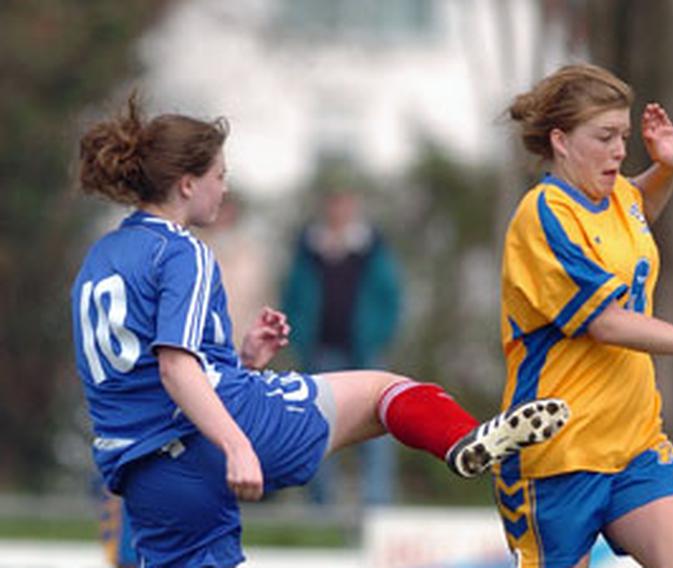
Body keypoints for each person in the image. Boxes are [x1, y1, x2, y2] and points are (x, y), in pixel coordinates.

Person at [71, 94, 570, 567]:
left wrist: (238, 359)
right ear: (186, 184)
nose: (223, 189)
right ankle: (462, 439)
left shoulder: (101, 257)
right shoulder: (183, 250)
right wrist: (236, 444)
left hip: (143, 473)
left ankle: (462, 440)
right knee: (380, 390)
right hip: (210, 435)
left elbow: (136, 371)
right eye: (219, 176)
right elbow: (175, 368)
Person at [494, 63, 673, 568]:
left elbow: (635, 214)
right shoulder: (543, 215)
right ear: (561, 141)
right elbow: (605, 322)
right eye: (605, 137)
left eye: (624, 136)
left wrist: (669, 168)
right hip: (557, 455)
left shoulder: (618, 197)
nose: (620, 151)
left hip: (636, 445)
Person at [282, 175, 402, 506]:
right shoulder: (307, 248)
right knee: (321, 433)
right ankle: (322, 510)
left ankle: (378, 510)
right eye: (333, 201)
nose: (339, 208)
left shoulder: (373, 246)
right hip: (321, 353)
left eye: (345, 201)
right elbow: (292, 298)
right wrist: (301, 341)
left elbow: (390, 298)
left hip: (365, 354)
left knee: (375, 434)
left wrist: (378, 337)